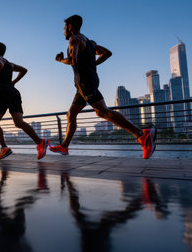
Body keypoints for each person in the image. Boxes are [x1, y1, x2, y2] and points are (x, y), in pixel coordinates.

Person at [51, 14, 156, 159]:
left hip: (85, 83)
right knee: (71, 114)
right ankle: (64, 146)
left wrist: (60, 59)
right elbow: (107, 53)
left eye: (64, 28)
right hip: (85, 84)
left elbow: (73, 60)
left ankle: (141, 134)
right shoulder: (90, 42)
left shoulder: (74, 39)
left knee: (102, 112)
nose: (63, 31)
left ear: (70, 26)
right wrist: (93, 64)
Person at [0, 43, 49, 160]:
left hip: (4, 93)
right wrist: (14, 82)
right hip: (14, 92)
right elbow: (24, 70)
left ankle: (4, 148)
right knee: (19, 123)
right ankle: (40, 142)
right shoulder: (10, 64)